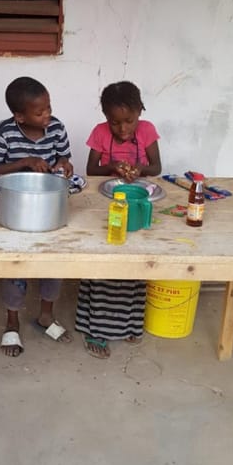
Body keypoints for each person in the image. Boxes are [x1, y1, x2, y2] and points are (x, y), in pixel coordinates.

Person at [0, 76, 73, 357]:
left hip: (47, 207)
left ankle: (46, 315)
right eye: (39, 111)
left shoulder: (56, 128)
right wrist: (25, 162)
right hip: (15, 206)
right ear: (19, 116)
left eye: (48, 107)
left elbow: (64, 158)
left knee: (52, 261)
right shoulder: (3, 132)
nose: (47, 114)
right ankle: (12, 320)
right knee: (16, 265)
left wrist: (64, 164)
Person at [75, 81, 161, 358]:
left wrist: (139, 169)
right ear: (105, 119)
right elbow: (90, 170)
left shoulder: (147, 131)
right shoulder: (100, 133)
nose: (122, 129)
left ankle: (130, 323)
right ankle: (96, 328)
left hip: (135, 201)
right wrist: (111, 166)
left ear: (140, 112)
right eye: (114, 122)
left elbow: (157, 168)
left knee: (135, 262)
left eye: (129, 121)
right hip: (104, 203)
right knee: (105, 260)